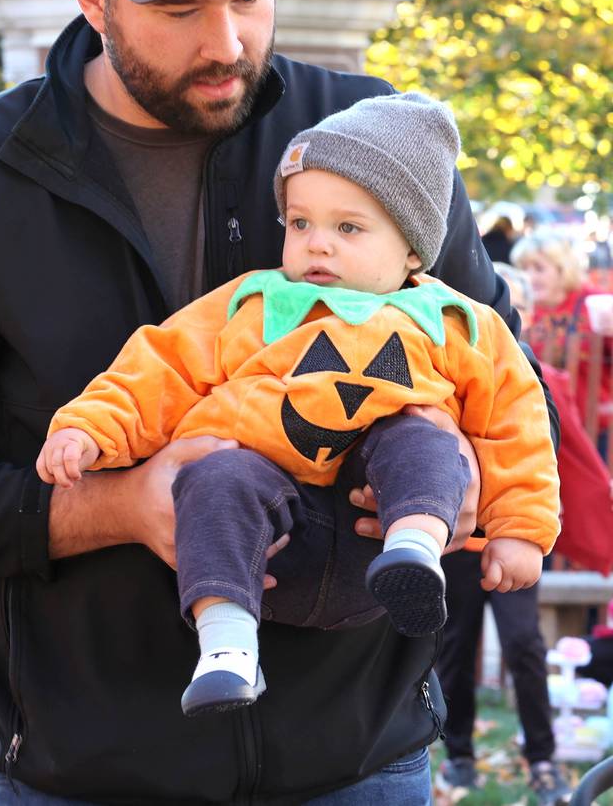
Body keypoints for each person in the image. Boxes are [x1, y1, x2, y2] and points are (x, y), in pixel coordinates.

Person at [0, 0, 557, 805]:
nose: (227, 41)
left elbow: (501, 373)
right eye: (178, 7)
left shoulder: (371, 146)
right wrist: (112, 506)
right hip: (76, 778)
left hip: (359, 767)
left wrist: (460, 480)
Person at [38, 95, 559, 717]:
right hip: (273, 537)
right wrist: (88, 427)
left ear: (413, 250)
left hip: (375, 538)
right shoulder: (253, 306)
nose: (318, 246)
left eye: (349, 228)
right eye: (300, 223)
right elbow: (158, 368)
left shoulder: (455, 324)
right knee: (215, 476)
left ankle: (414, 551)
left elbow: (516, 425)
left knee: (423, 437)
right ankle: (227, 650)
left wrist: (521, 530)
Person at [436, 264, 573, 806]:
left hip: (512, 536)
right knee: (455, 645)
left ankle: (543, 758)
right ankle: (461, 756)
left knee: (524, 643)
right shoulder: (443, 355)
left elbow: (544, 449)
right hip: (456, 542)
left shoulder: (522, 376)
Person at [511, 228, 613, 458]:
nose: (530, 277)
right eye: (524, 268)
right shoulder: (522, 307)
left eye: (539, 268)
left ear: (562, 269)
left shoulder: (594, 302)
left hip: (593, 427)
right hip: (543, 424)